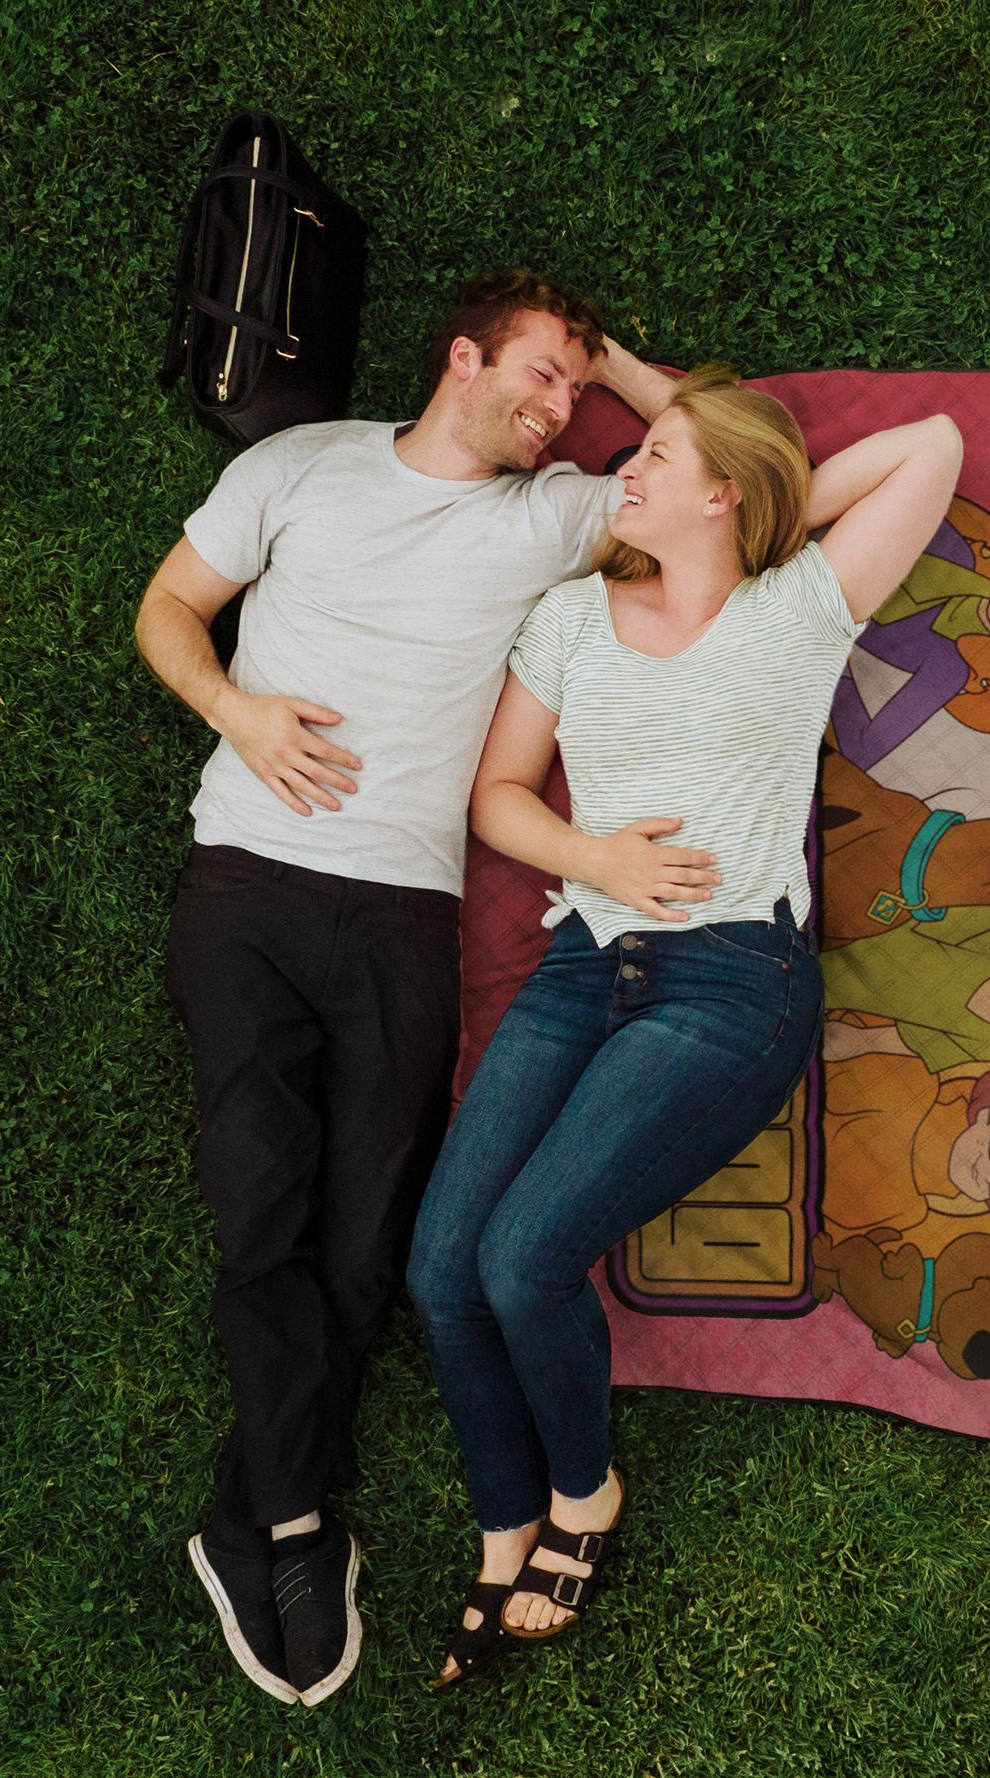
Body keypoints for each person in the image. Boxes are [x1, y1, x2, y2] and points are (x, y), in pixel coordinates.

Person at [133, 269, 676, 1707]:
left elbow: (731, 461)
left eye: (577, 389)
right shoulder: (298, 467)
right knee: (262, 1209)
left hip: (401, 915)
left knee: (368, 1241)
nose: (562, 411)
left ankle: (254, 1513)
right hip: (248, 884)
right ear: (462, 358)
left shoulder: (550, 516)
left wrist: (623, 365)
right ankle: (294, 1530)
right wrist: (237, 709)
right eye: (544, 374)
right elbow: (170, 606)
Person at [404, 365, 963, 1687]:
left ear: (723, 493)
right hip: (583, 967)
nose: (626, 466)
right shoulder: (570, 618)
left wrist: (751, 510)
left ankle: (583, 1494)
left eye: (656, 454)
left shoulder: (798, 605)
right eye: (634, 449)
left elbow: (933, 445)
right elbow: (500, 794)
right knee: (441, 1269)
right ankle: (504, 1521)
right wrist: (595, 855)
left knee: (525, 1257)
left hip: (732, 984)